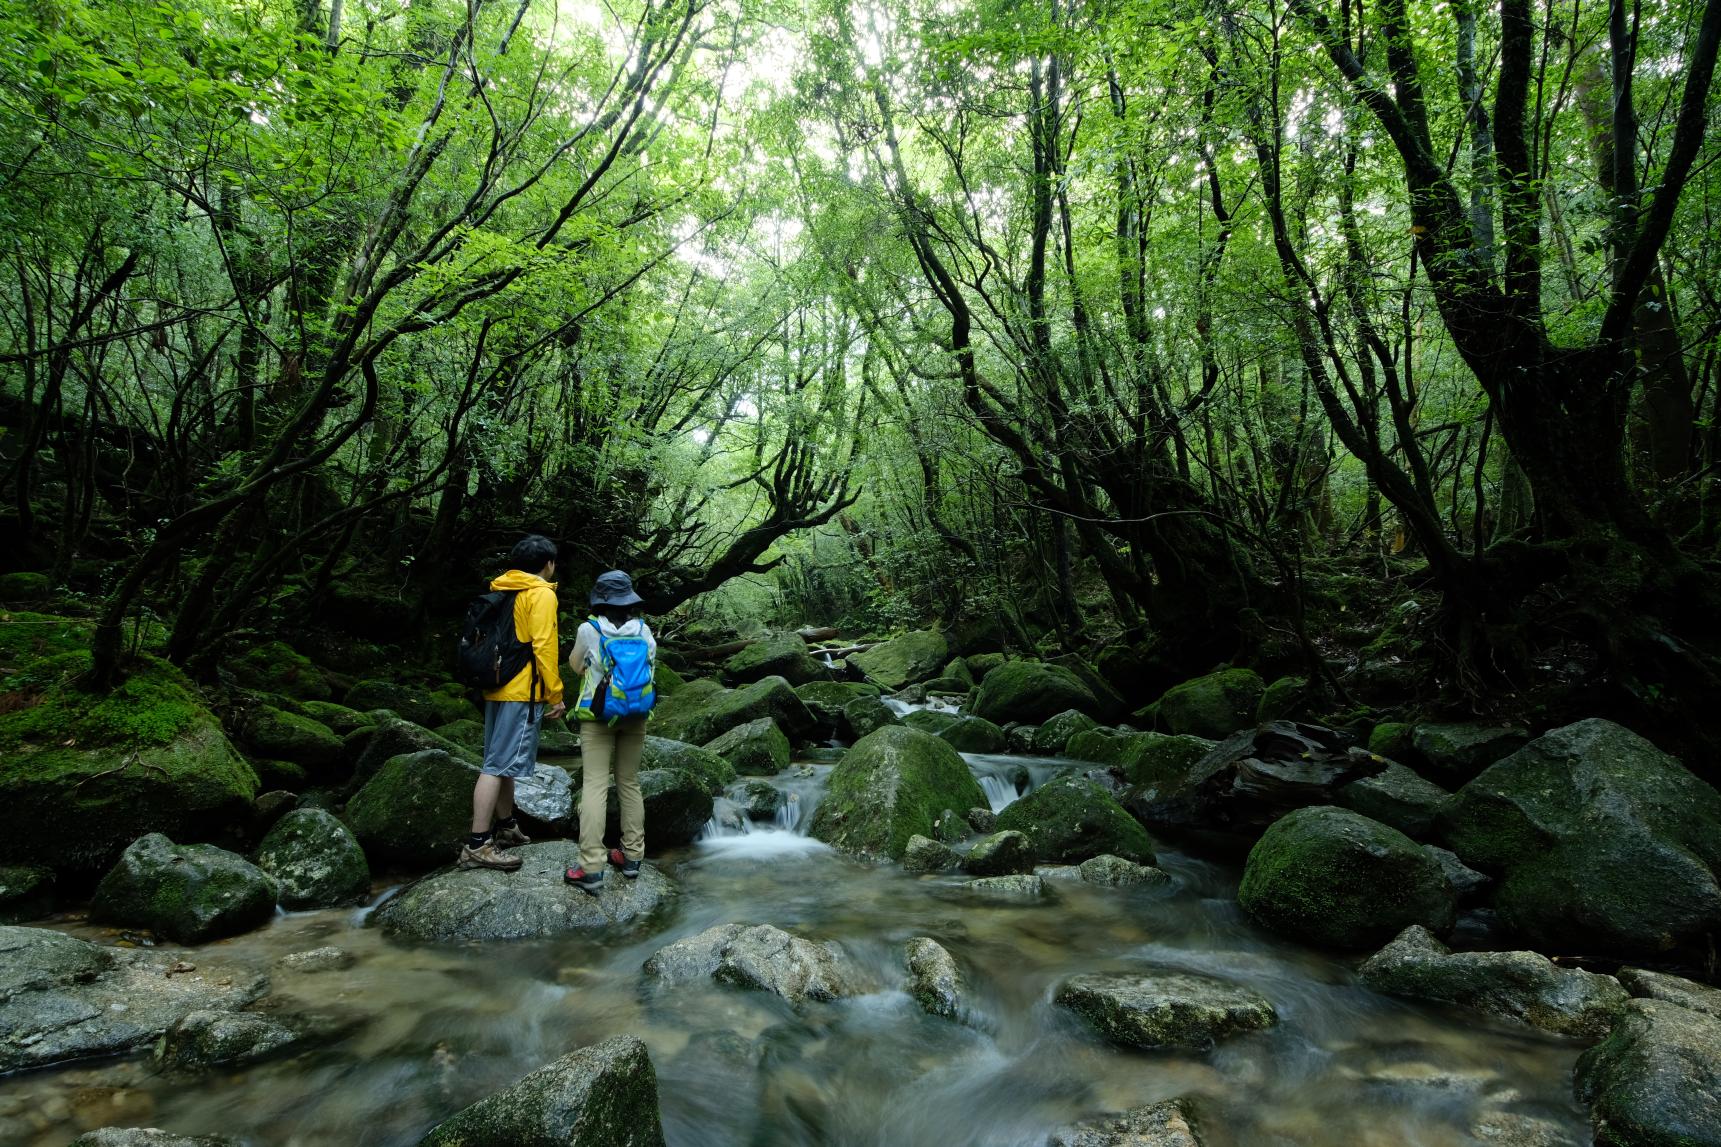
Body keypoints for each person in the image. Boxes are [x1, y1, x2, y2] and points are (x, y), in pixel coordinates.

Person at [459, 534, 565, 871]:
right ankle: (478, 844)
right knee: (495, 766)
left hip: (497, 686)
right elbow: (544, 646)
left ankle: (505, 827)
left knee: (502, 761)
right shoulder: (540, 594)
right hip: (521, 691)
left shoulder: (505, 587)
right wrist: (556, 693)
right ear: (548, 564)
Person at [563, 569, 656, 894]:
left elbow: (576, 666)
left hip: (597, 715)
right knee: (629, 782)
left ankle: (591, 867)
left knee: (595, 785)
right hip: (636, 714)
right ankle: (632, 857)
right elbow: (651, 667)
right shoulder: (644, 631)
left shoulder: (588, 630)